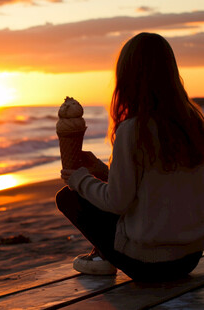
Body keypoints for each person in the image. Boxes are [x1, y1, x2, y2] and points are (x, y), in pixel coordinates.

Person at [56, 32, 204, 282]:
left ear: (127, 77)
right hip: (190, 257)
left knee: (69, 198)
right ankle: (102, 255)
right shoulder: (194, 123)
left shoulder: (134, 129)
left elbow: (118, 202)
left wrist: (80, 179)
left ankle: (104, 255)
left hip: (149, 265)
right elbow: (156, 186)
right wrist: (100, 170)